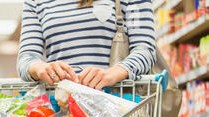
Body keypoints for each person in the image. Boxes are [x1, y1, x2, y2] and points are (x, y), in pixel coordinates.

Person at [17, 0, 157, 89]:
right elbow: (26, 58)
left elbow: (145, 49)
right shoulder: (35, 2)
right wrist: (40, 68)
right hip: (59, 111)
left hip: (116, 110)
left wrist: (116, 72)